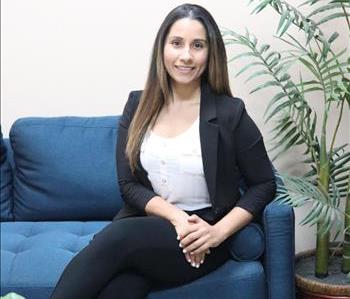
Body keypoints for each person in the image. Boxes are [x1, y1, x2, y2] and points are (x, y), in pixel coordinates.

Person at [50, 3, 276, 299]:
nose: (186, 56)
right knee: (121, 288)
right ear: (162, 49)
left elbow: (264, 183)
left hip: (200, 238)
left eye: (197, 45)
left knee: (119, 238)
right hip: (149, 229)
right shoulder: (137, 106)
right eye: (177, 43)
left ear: (211, 53)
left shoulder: (230, 113)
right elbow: (128, 185)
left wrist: (216, 233)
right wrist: (176, 218)